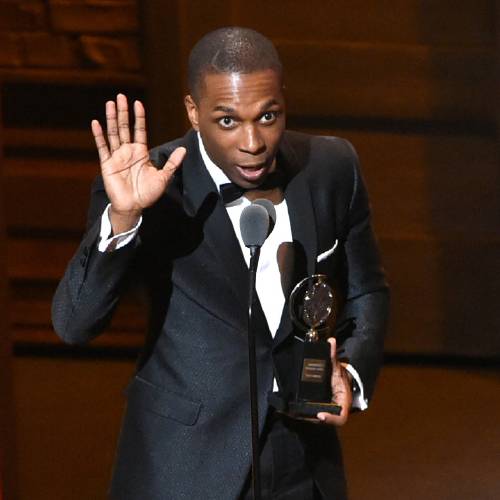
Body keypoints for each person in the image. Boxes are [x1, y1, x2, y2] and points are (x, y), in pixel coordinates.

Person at [52, 27, 389, 499]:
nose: (252, 142)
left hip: (302, 460)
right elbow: (74, 323)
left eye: (268, 116)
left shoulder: (332, 167)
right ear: (193, 111)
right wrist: (125, 216)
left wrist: (350, 377)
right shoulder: (150, 186)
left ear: (283, 101)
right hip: (184, 464)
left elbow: (367, 289)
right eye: (227, 121)